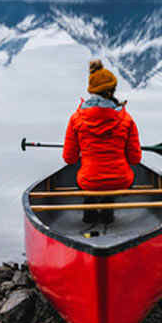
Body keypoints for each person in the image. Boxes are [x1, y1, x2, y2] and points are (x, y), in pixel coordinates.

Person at [63, 59, 142, 224]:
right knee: (111, 182)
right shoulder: (127, 120)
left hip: (88, 181)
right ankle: (107, 214)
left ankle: (89, 215)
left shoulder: (76, 119)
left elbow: (69, 159)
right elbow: (135, 159)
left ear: (92, 91)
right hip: (121, 180)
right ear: (112, 90)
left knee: (85, 176)